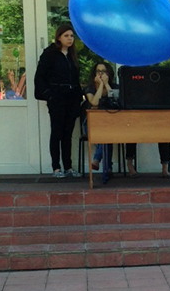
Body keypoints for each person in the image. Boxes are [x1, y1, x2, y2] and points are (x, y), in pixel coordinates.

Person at [34, 23, 83, 178]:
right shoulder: (50, 54)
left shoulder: (72, 56)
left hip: (71, 99)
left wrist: (78, 97)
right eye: (66, 36)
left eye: (72, 36)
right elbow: (40, 77)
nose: (70, 39)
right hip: (57, 98)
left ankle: (68, 166)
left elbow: (75, 78)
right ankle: (56, 167)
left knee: (68, 133)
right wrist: (49, 95)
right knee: (57, 132)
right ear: (59, 37)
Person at [83, 62, 116, 174]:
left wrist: (106, 84)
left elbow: (116, 101)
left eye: (104, 71)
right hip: (91, 123)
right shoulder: (89, 88)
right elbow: (95, 103)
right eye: (98, 71)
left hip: (109, 123)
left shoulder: (113, 87)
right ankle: (106, 166)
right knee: (106, 135)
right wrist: (101, 85)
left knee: (108, 133)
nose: (101, 74)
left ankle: (100, 162)